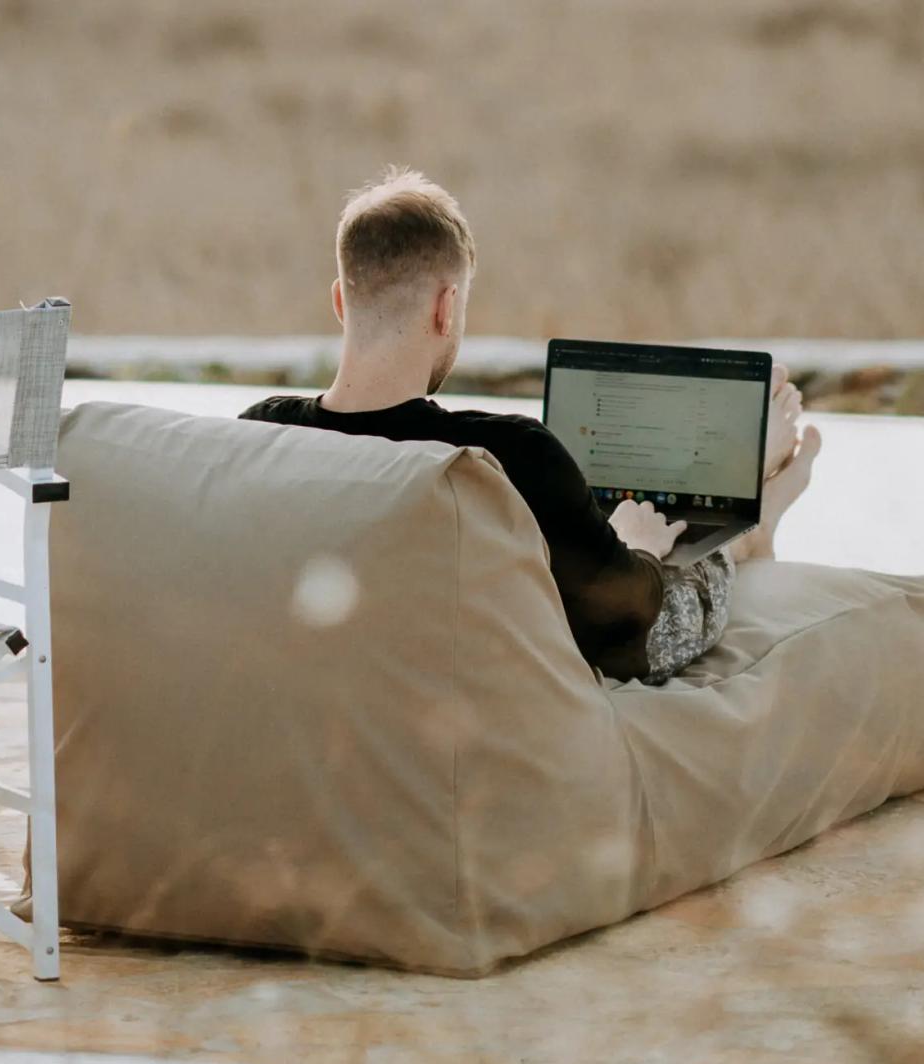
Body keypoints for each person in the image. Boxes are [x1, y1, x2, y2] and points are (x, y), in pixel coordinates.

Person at [241, 167, 823, 684]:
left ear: (342, 302)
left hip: (340, 680)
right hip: (538, 649)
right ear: (446, 307)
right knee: (682, 583)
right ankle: (754, 523)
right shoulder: (506, 456)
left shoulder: (261, 435)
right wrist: (638, 548)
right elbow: (637, 637)